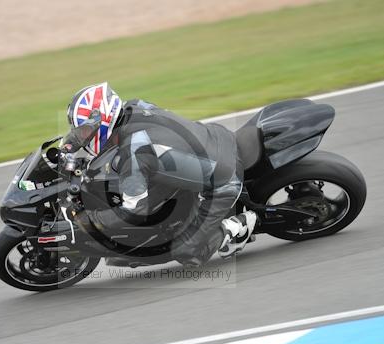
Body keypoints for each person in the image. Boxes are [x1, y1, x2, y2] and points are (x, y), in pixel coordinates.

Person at [63, 82, 257, 266]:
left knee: (186, 250)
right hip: (216, 138)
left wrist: (89, 219)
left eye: (85, 130)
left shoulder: (134, 155)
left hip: (225, 181)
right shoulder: (134, 106)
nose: (82, 136)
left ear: (104, 122)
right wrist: (68, 147)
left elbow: (133, 212)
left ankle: (238, 226)